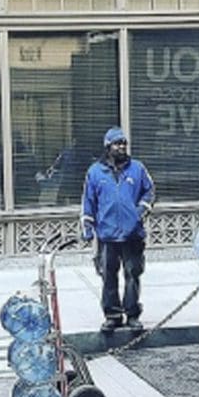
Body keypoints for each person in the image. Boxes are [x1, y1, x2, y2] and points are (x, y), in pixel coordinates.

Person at [81, 127, 155, 332]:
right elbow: (88, 201)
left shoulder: (137, 169)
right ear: (108, 147)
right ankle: (112, 315)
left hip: (132, 235)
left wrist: (139, 212)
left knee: (133, 273)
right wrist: (87, 225)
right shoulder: (95, 172)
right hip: (107, 235)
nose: (121, 147)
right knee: (108, 275)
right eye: (117, 143)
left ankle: (132, 314)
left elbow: (150, 192)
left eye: (124, 143)